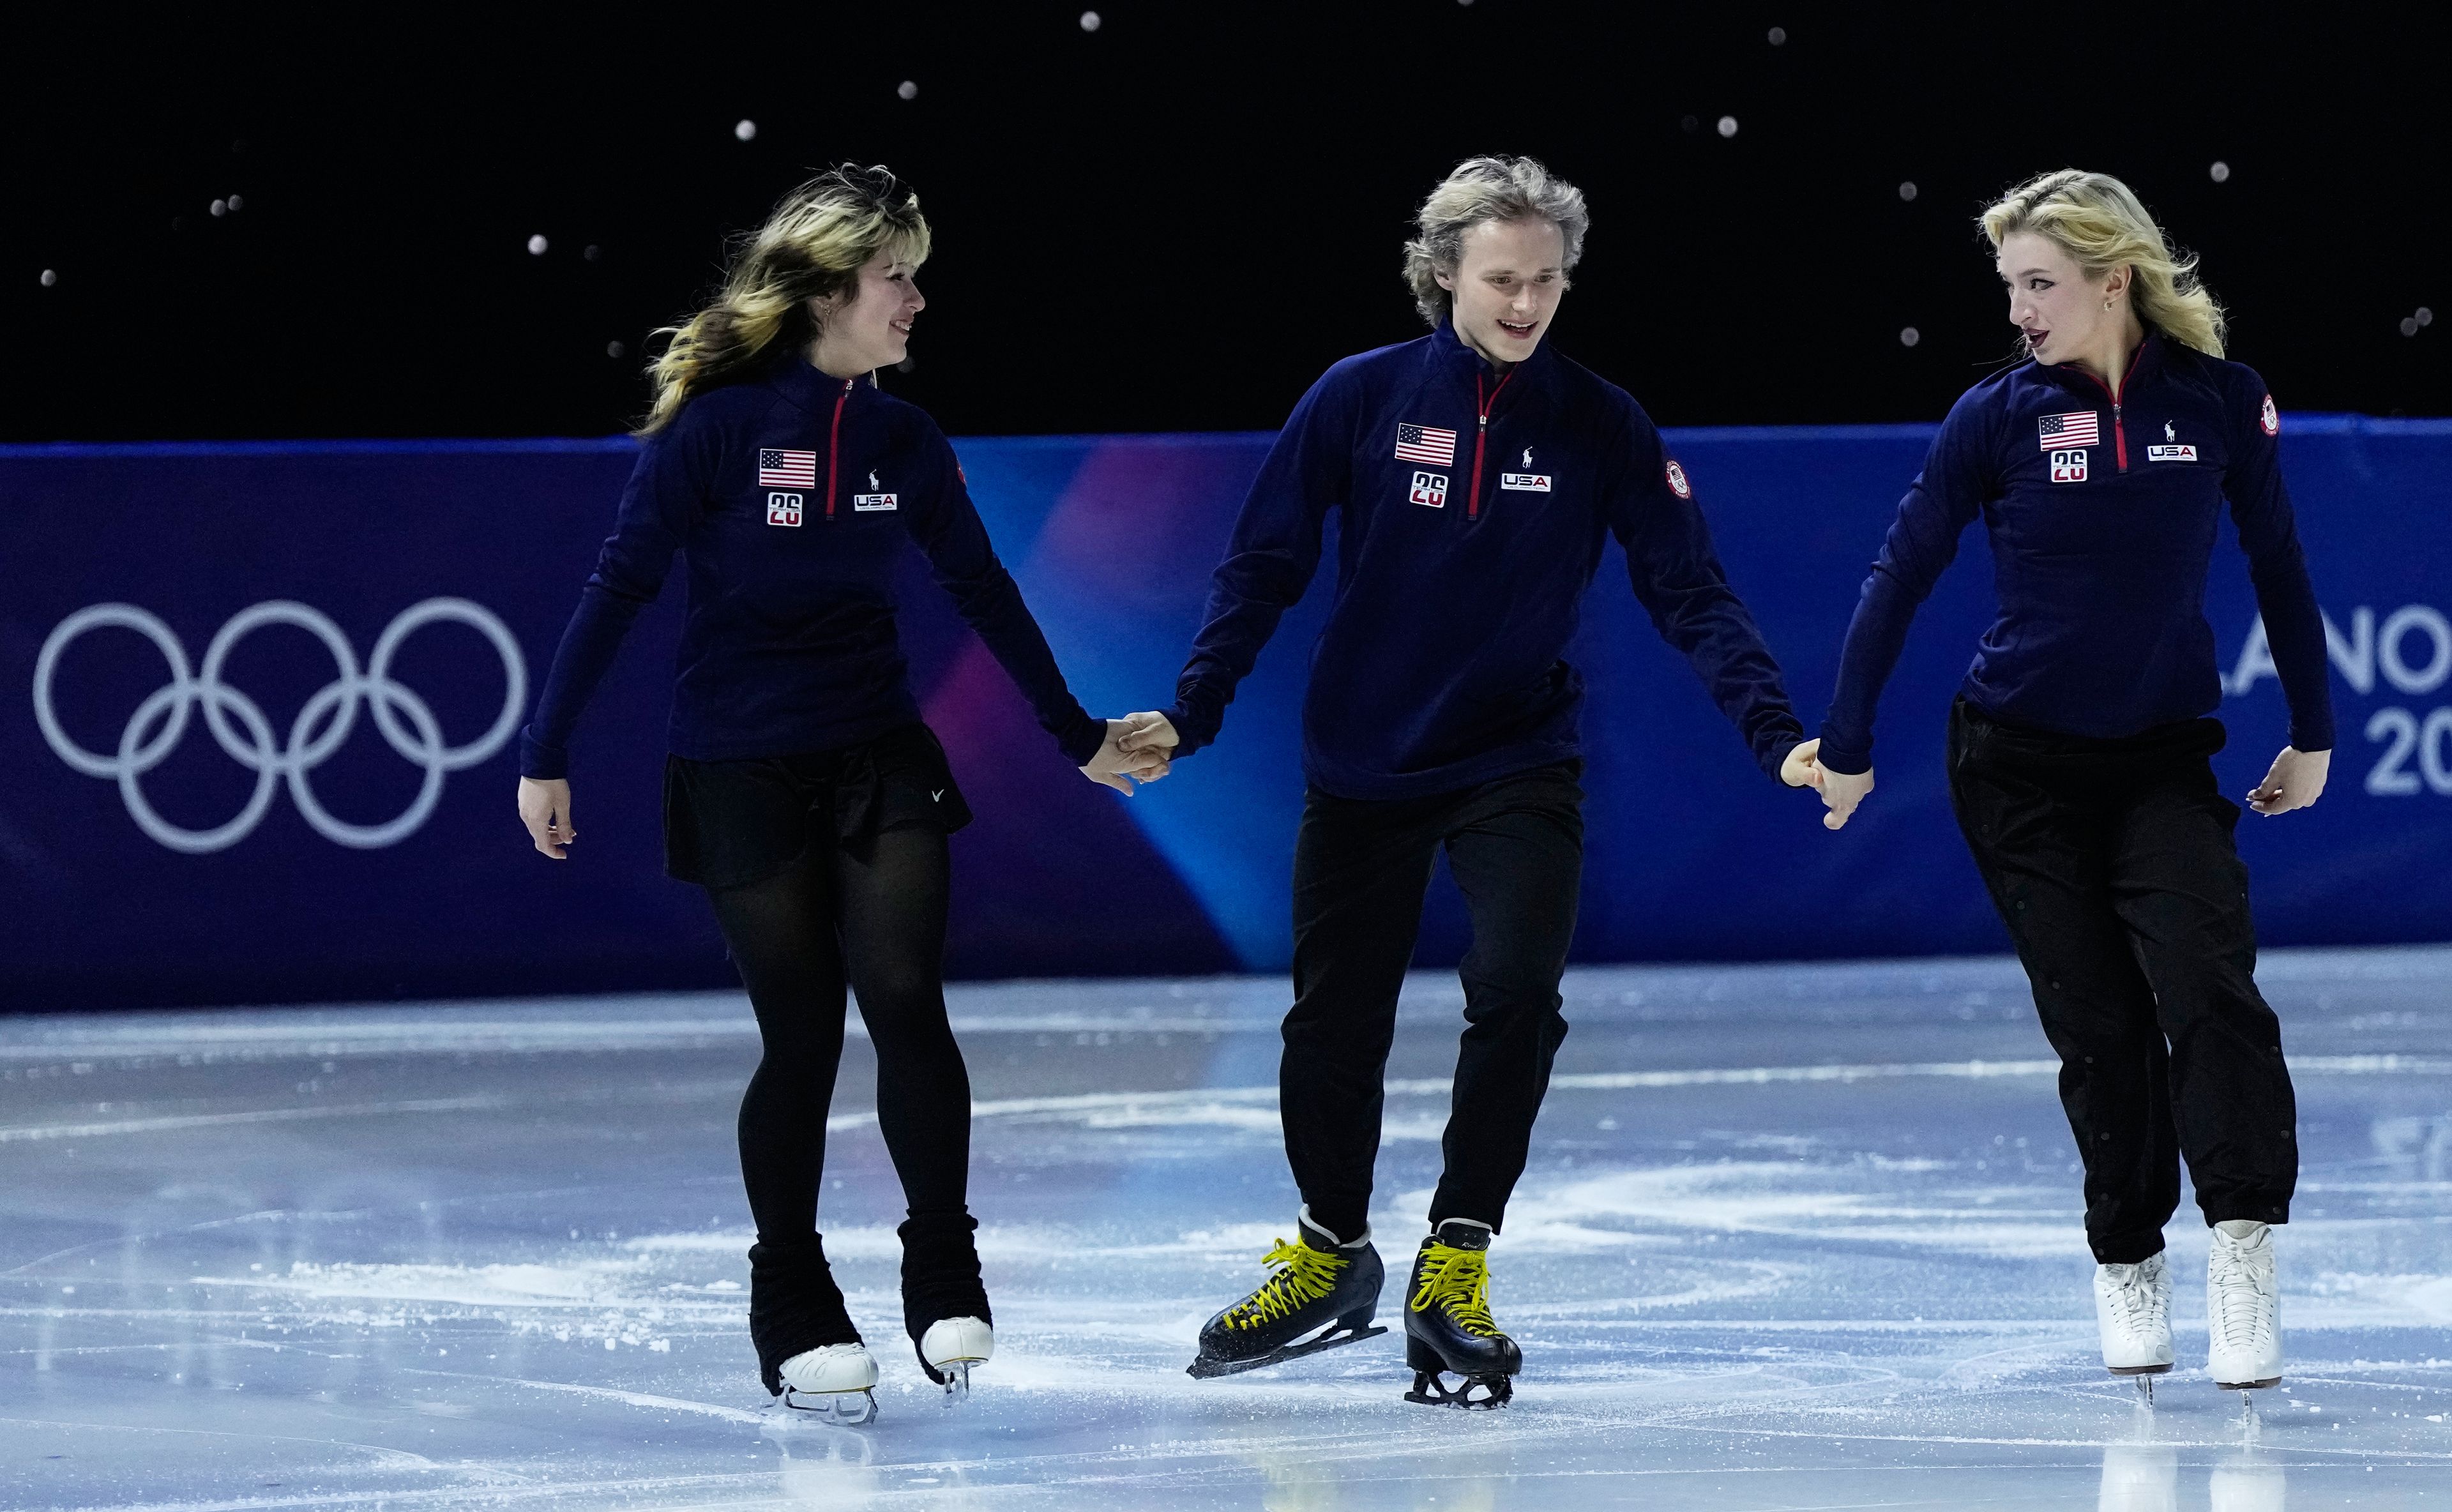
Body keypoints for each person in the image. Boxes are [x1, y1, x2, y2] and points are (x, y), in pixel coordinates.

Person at [1119, 155, 1811, 1407]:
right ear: (1444, 272)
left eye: (1548, 280)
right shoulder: (1360, 396)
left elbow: (1689, 588)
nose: (1528, 302)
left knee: (1515, 987)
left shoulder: (1600, 419)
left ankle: (1457, 1257)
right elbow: (1262, 564)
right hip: (1365, 764)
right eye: (1504, 278)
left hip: (1517, 759)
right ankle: (1332, 1253)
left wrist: (1777, 733)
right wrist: (1194, 709)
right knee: (1333, 1026)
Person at [514, 163, 1161, 1421]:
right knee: (802, 1030)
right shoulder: (711, 432)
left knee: (908, 996)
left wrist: (1077, 735)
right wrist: (548, 750)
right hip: (740, 762)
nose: (918, 300)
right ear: (826, 290)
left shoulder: (905, 439)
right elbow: (616, 588)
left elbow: (983, 592)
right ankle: (792, 1293)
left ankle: (942, 1260)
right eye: (898, 276)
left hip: (876, 752)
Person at [1792, 169, 2333, 1398]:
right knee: (2099, 1030)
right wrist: (1851, 740)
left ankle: (2243, 1248)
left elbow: (2282, 568)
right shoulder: (1995, 415)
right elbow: (1899, 572)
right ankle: (2129, 1257)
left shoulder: (2220, 402)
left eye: (2041, 286)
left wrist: (2313, 734)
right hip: (2018, 771)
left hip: (2160, 763)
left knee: (2210, 988)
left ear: (2114, 280)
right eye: (2012, 288)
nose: (2022, 310)